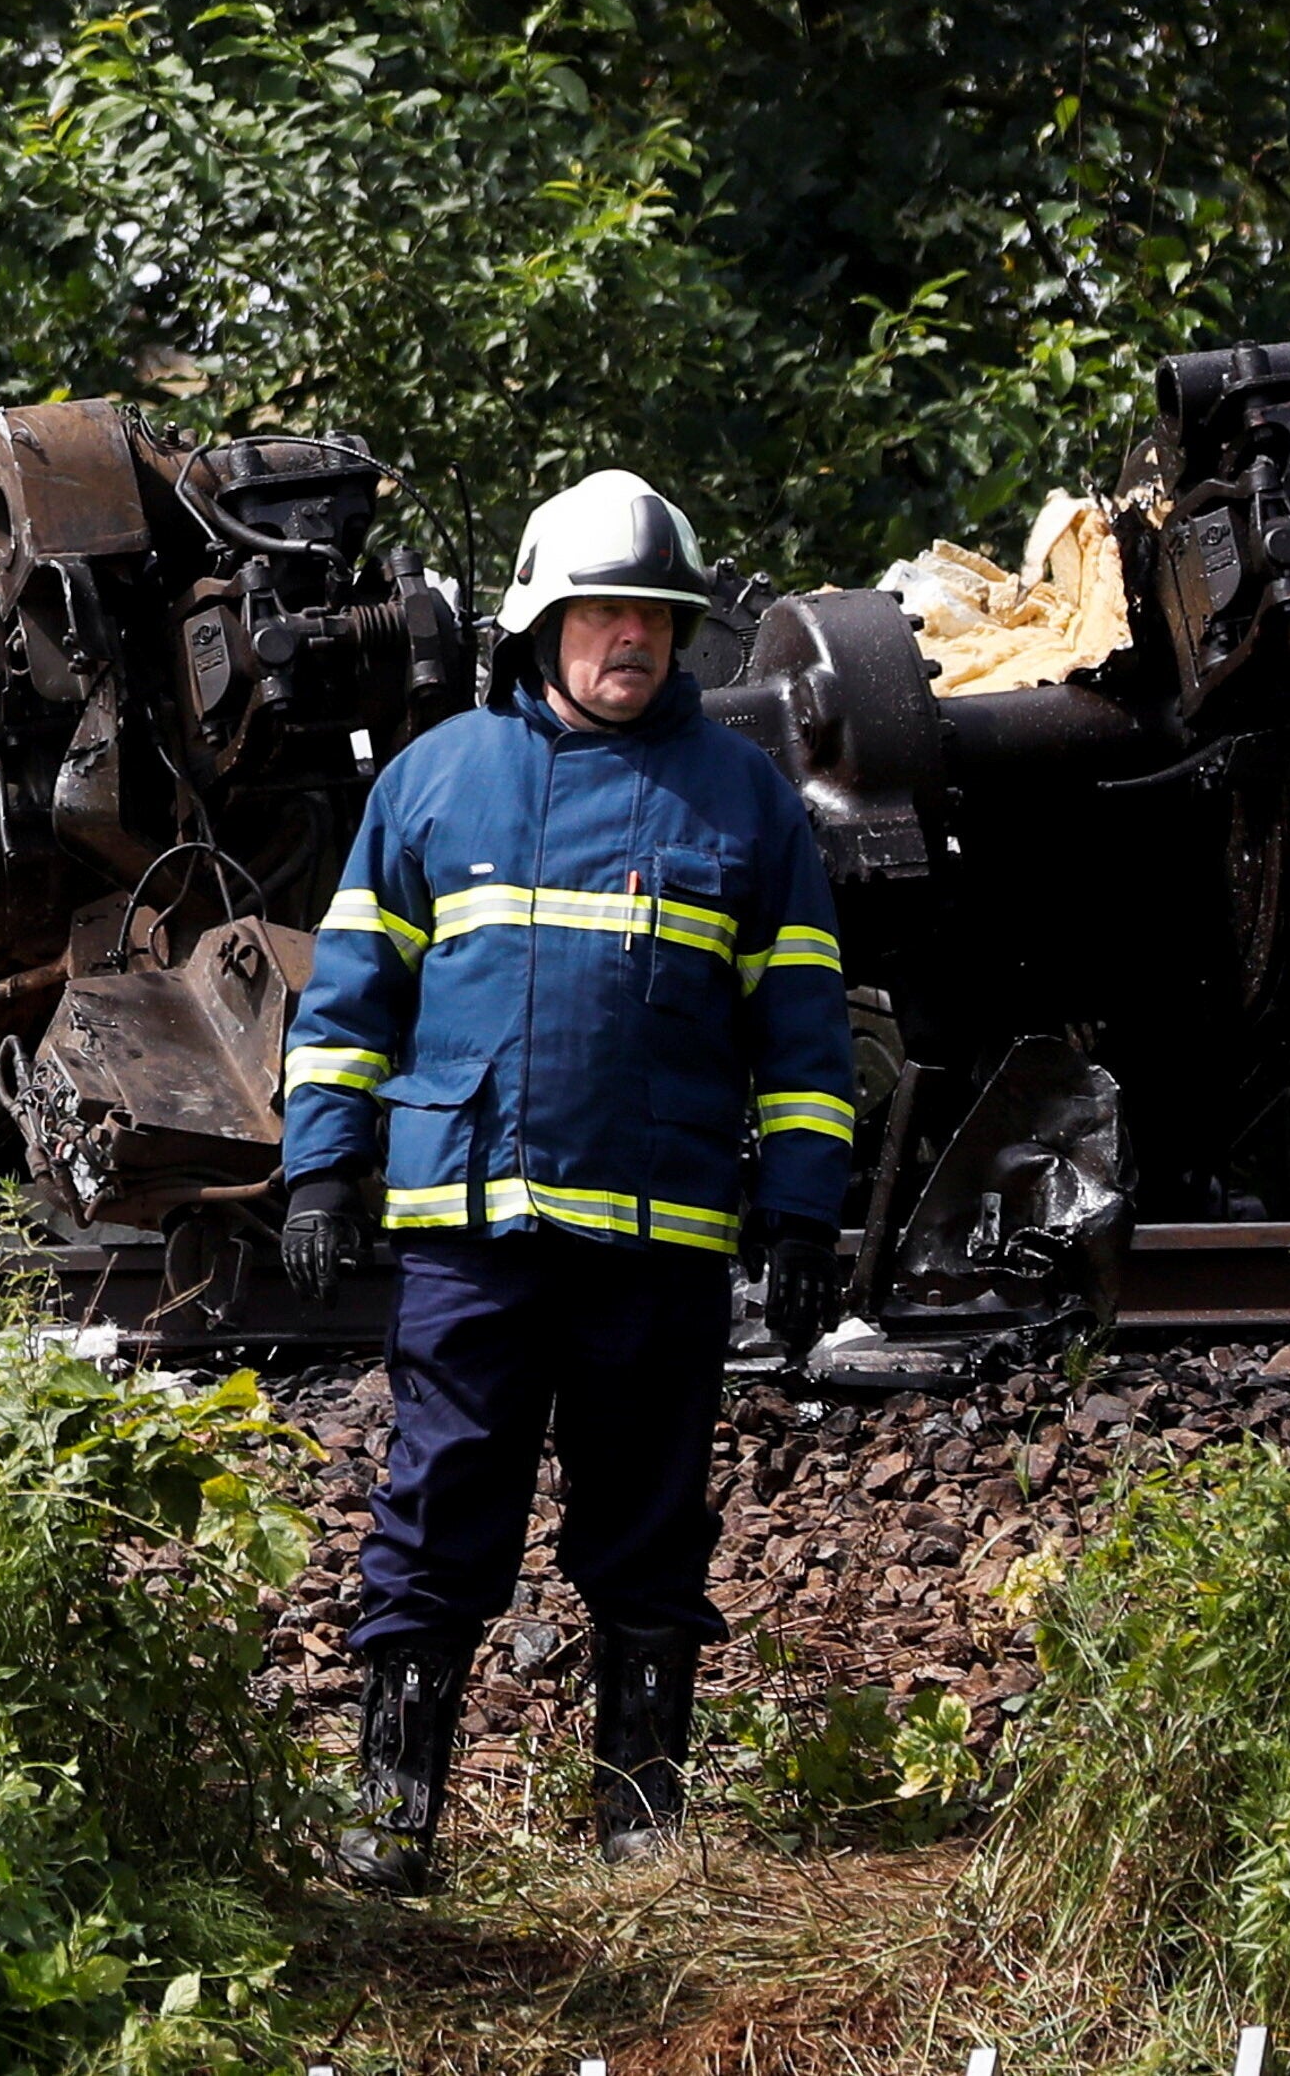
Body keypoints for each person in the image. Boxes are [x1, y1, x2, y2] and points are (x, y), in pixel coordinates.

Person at [271, 468, 857, 1884]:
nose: (632, 638)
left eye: (655, 616)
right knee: (438, 1510)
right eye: (604, 614)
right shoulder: (433, 782)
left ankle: (641, 1829)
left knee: (649, 1529)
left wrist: (801, 1209)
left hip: (657, 1243)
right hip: (473, 1231)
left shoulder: (744, 802)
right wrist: (320, 1170)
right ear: (541, 622)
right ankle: (392, 1813)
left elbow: (805, 1031)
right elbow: (346, 1003)